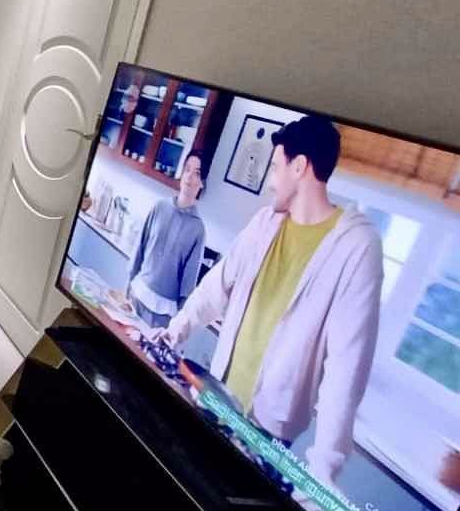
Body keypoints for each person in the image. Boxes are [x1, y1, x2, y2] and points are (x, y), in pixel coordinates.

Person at [149, 115, 383, 488]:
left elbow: (347, 368)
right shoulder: (265, 222)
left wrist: (323, 472)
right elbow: (215, 287)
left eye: (275, 167)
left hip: (268, 429)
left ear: (299, 167)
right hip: (216, 394)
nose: (271, 181)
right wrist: (174, 332)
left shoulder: (357, 247)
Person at [125, 152, 208, 328]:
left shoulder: (198, 229)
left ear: (202, 182)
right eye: (187, 169)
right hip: (136, 296)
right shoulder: (159, 207)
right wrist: (128, 287)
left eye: (197, 173)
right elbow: (139, 249)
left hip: (162, 315)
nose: (189, 176)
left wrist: (177, 323)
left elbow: (188, 283)